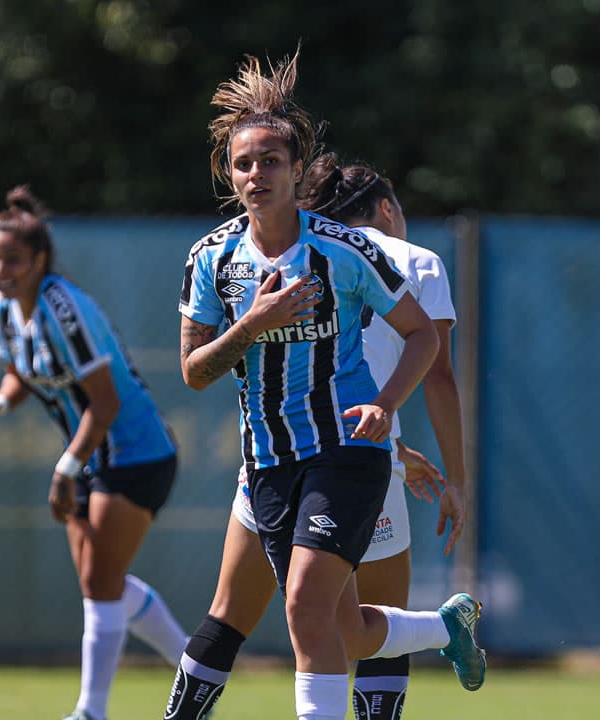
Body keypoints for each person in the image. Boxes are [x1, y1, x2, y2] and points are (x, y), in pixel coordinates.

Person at [170, 50, 485, 720]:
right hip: (269, 465)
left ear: (294, 168)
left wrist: (386, 403)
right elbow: (195, 372)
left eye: (271, 160)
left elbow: (425, 337)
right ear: (229, 174)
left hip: (347, 454)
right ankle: (444, 628)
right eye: (244, 162)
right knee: (341, 627)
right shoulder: (212, 258)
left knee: (304, 608)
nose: (257, 173)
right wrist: (251, 324)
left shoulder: (345, 250)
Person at [0, 186, 187, 720]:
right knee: (100, 581)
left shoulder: (65, 308)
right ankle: (196, 670)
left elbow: (103, 404)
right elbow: (19, 372)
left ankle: (90, 711)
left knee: (101, 582)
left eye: (13, 259)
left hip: (136, 451)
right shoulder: (1, 312)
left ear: (39, 261)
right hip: (88, 457)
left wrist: (65, 468)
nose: (0, 269)